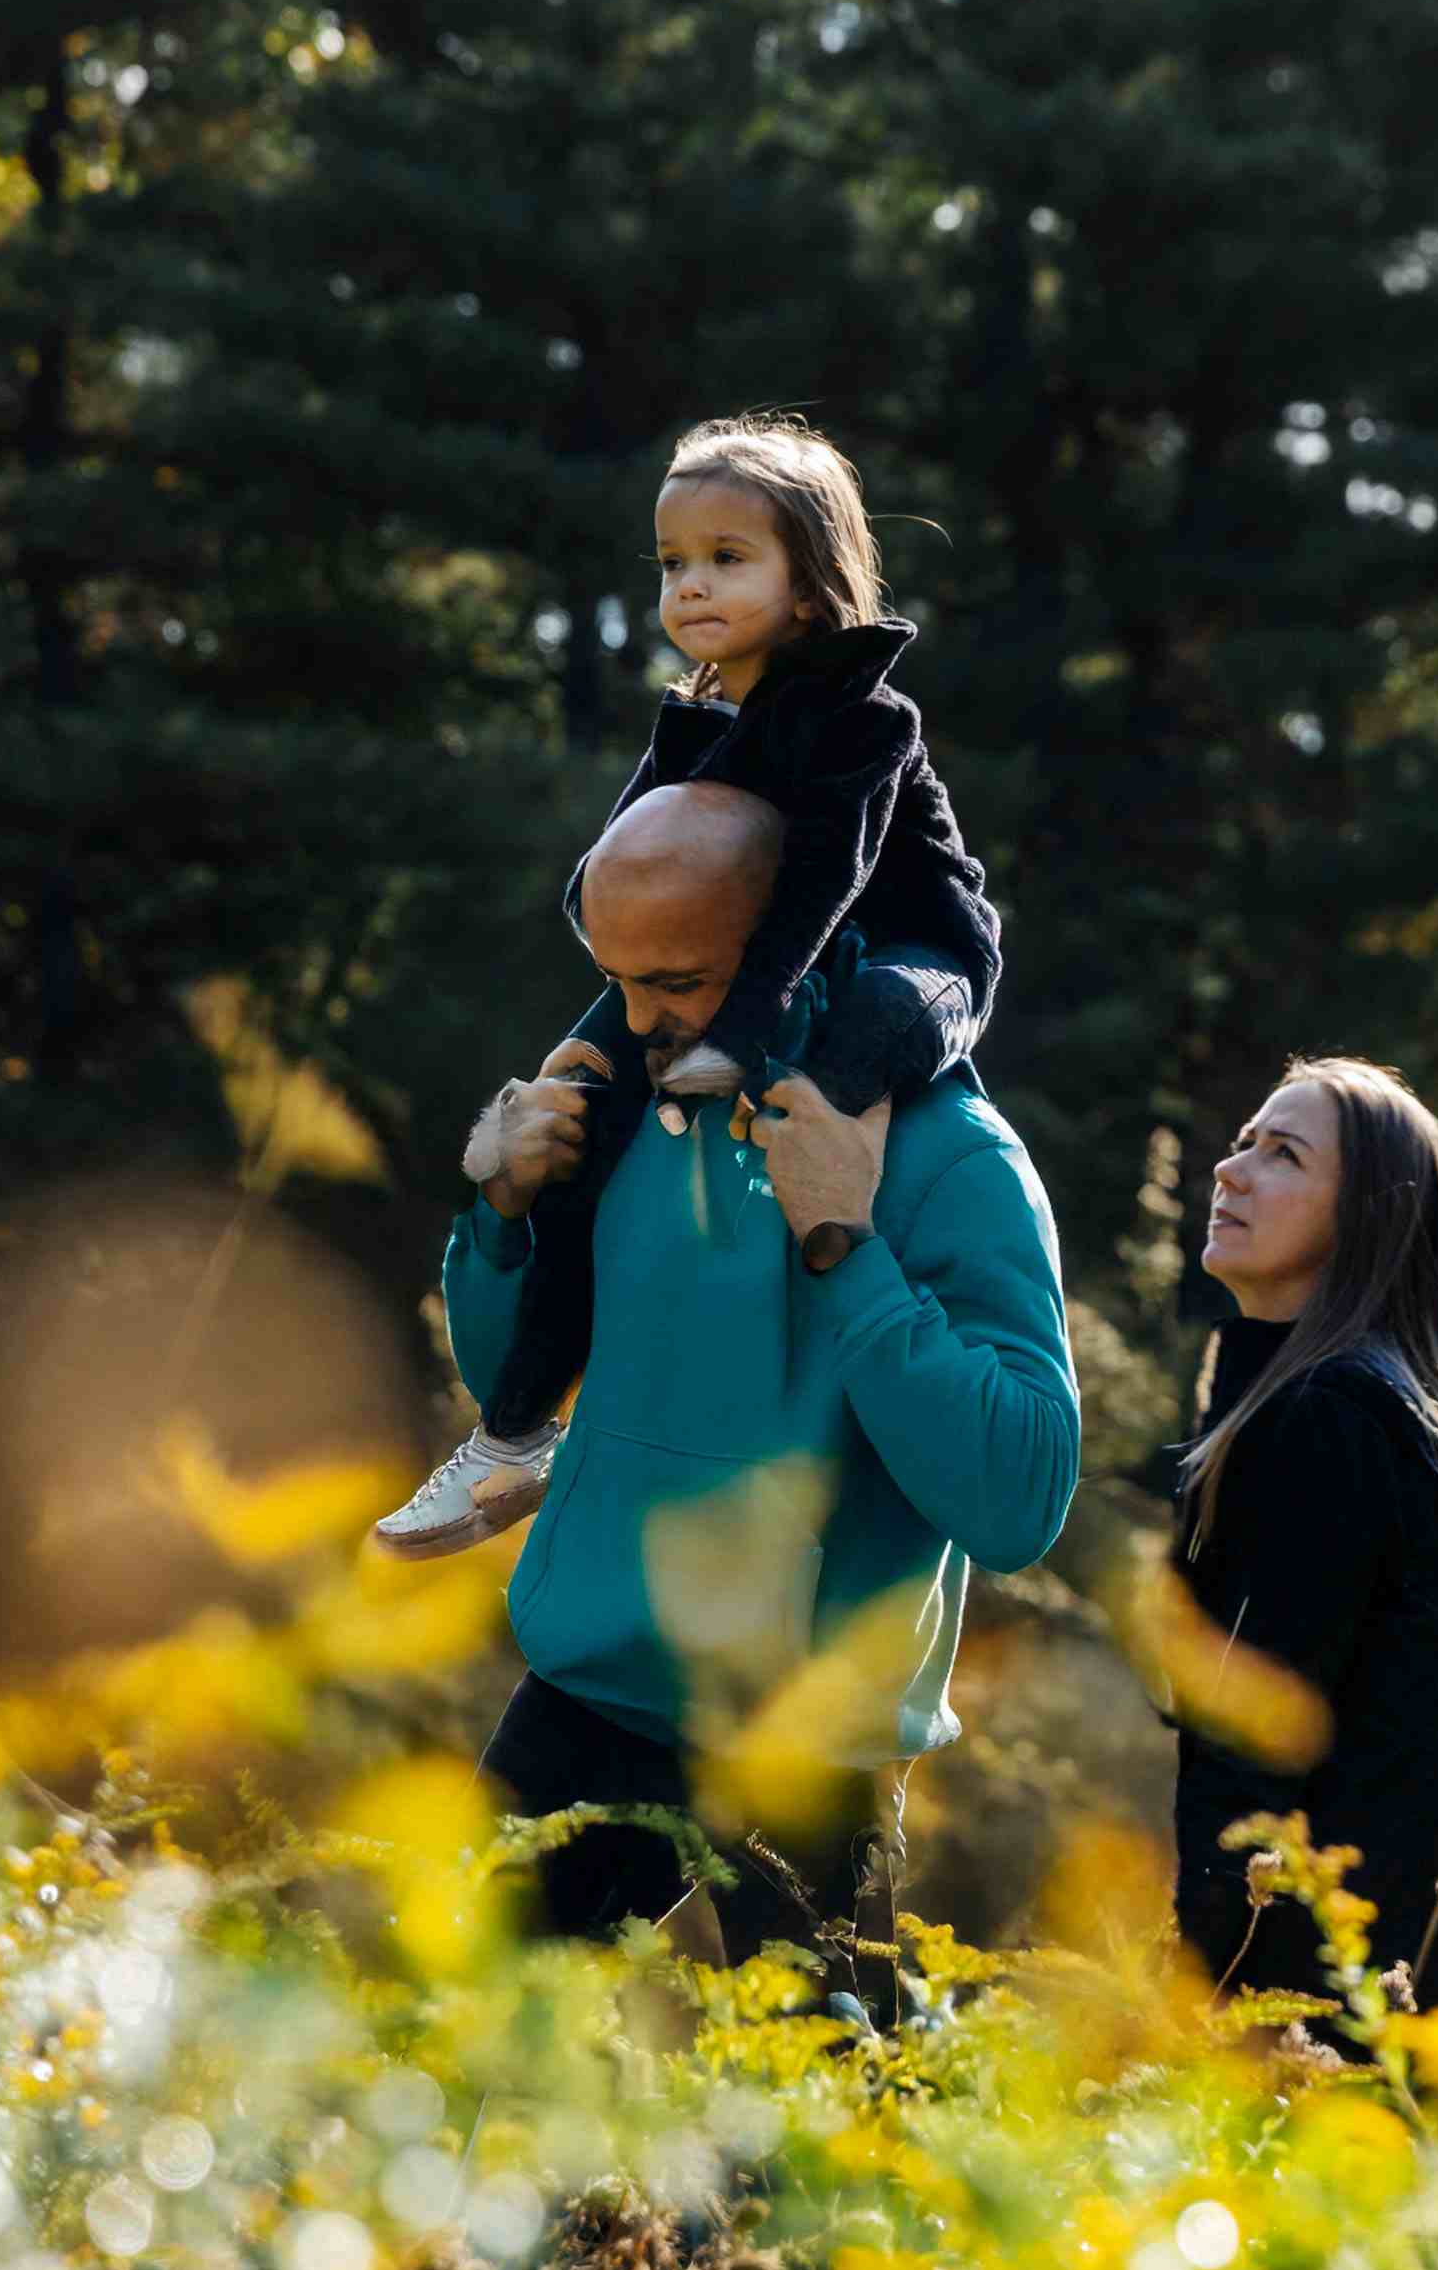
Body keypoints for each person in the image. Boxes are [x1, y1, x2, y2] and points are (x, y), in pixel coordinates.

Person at [436, 778, 1076, 1978]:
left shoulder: (949, 1154)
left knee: (806, 2146)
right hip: (594, 1689)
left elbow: (1018, 1495)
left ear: (795, 937)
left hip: (808, 1748)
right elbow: (509, 1381)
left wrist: (845, 1240)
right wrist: (506, 1216)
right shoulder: (627, 1098)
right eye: (618, 979)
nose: (639, 1021)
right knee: (444, 2064)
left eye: (676, 982)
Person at [373, 417, 1004, 1559]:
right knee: (592, 1098)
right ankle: (514, 1428)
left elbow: (825, 882)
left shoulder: (867, 713)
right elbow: (607, 871)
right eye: (671, 563)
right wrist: (614, 1020)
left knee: (860, 1033)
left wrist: (748, 1027)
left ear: (808, 586)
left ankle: (826, 1208)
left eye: (727, 557)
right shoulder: (698, 717)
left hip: (918, 949)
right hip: (746, 960)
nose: (691, 585)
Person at [1166, 1057, 1438, 2010]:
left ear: (1364, 1216)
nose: (1230, 1169)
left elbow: (1258, 1741)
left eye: (1282, 1153)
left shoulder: (1332, 1421)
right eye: (1244, 1140)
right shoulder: (1339, 1402)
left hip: (1306, 1983)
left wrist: (1204, 1991)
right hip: (1372, 1972)